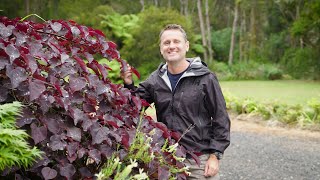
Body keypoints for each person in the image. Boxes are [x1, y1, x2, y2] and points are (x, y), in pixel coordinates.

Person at [121, 24, 230, 179]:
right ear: (161, 49)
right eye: (166, 43)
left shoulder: (205, 78)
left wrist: (215, 155)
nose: (171, 46)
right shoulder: (156, 80)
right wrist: (128, 84)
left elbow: (221, 118)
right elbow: (134, 106)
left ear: (186, 46)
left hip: (198, 162)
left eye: (176, 41)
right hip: (167, 160)